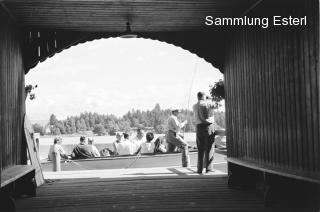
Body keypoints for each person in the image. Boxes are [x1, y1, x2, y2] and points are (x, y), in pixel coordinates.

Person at [193, 91, 217, 174]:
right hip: (208, 127)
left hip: (198, 128)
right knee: (209, 148)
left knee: (200, 149)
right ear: (204, 97)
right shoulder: (207, 104)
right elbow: (217, 105)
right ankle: (209, 169)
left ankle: (199, 169)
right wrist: (210, 99)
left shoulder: (194, 106)